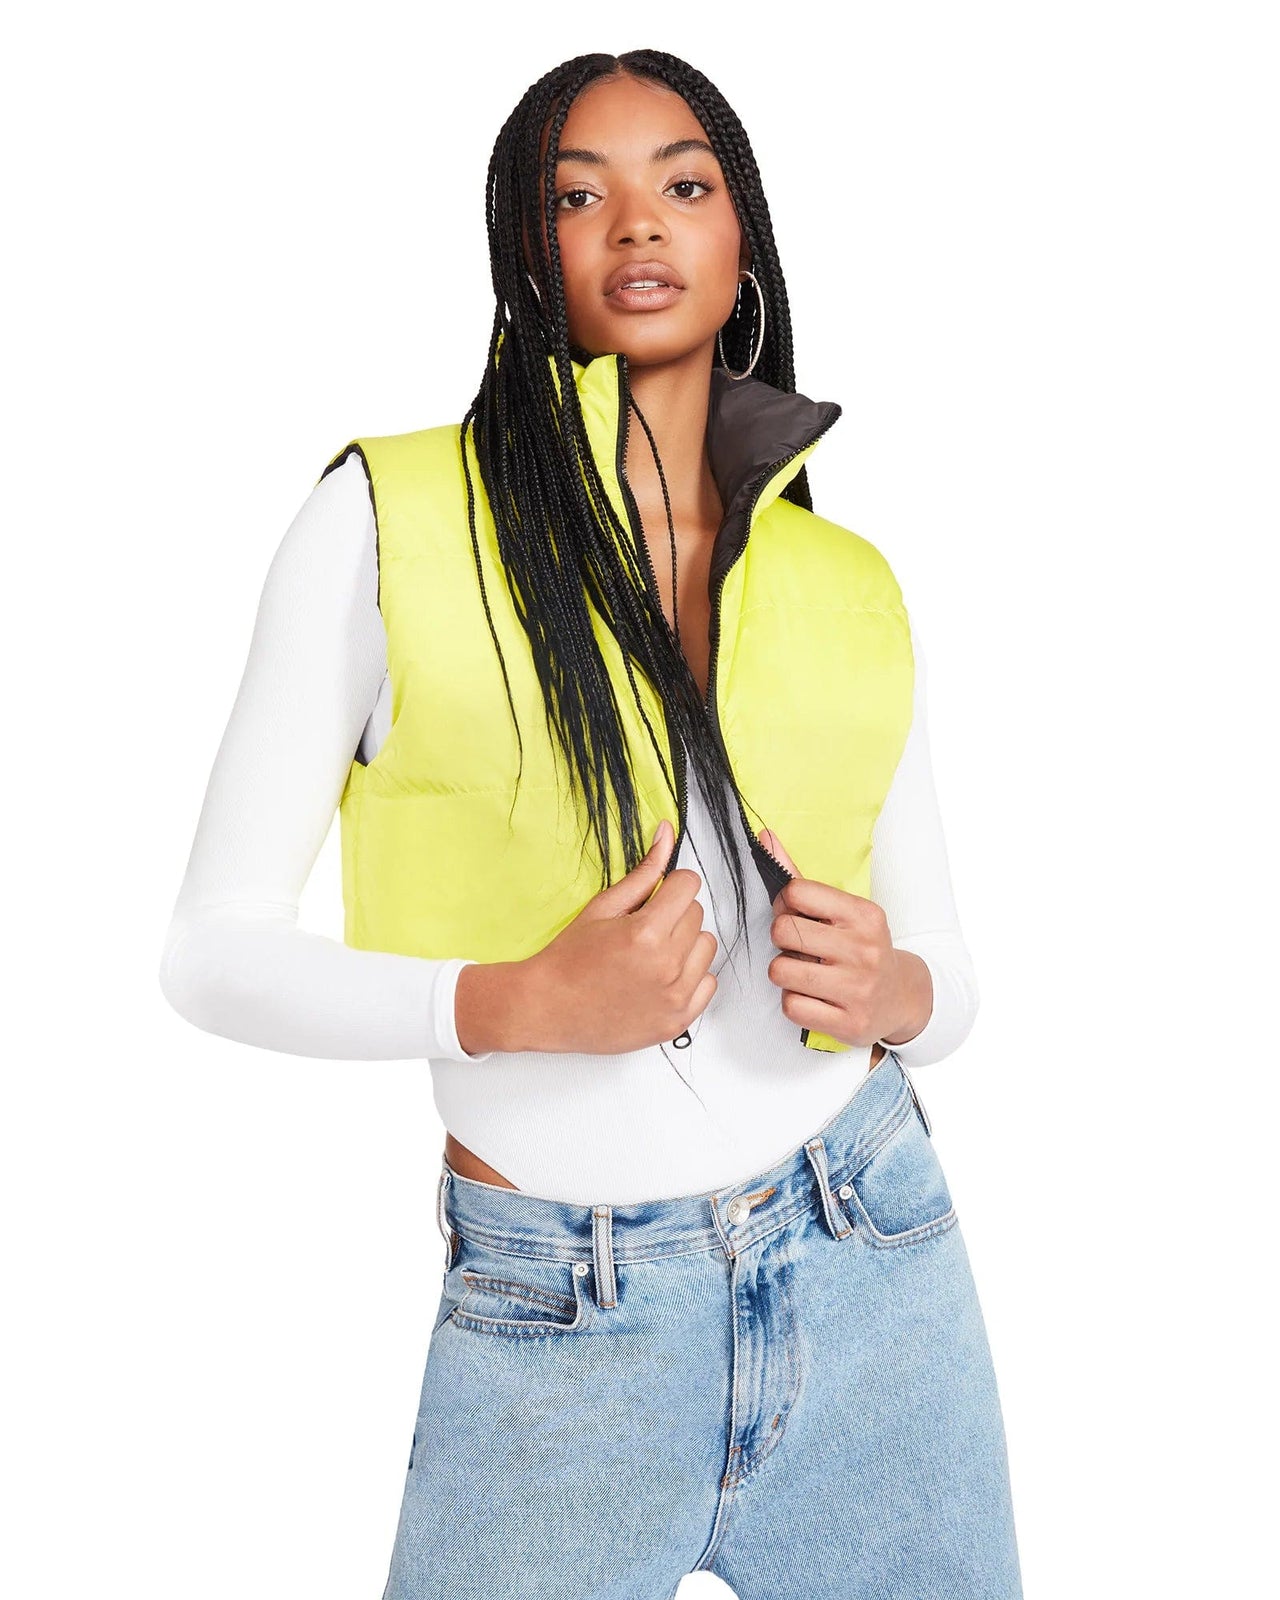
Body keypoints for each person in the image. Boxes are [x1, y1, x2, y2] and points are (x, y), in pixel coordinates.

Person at [159, 48, 1023, 1600]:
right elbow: (209, 954)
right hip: (563, 1315)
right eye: (579, 195)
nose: (638, 224)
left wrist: (895, 988)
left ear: (741, 241)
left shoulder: (844, 580)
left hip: (876, 1255)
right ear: (525, 249)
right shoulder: (383, 519)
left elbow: (948, 985)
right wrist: (512, 1004)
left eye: (683, 183)